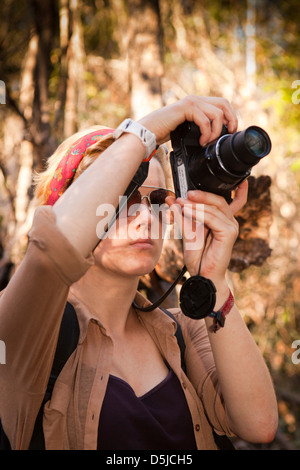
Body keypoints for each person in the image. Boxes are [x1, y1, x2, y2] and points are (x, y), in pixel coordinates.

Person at [0, 96, 278, 450]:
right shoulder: (26, 330)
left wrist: (213, 279)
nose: (147, 218)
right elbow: (55, 244)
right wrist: (151, 128)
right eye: (123, 199)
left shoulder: (187, 329)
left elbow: (257, 425)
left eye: (157, 201)